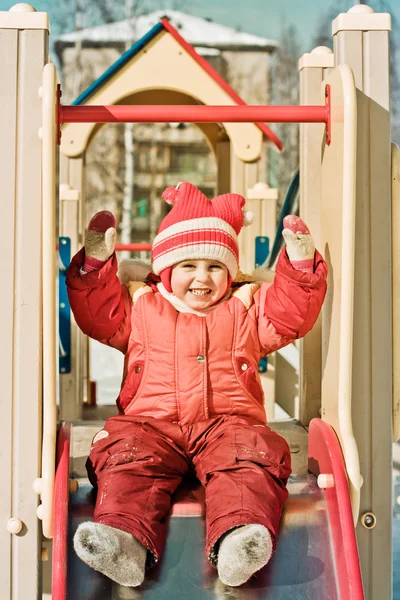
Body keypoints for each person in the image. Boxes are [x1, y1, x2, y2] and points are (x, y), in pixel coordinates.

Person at [66, 182, 327, 588]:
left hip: (227, 426)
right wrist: (96, 266)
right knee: (126, 462)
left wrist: (300, 267)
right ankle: (123, 542)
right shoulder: (140, 306)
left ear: (230, 272)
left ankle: (238, 539)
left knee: (247, 463)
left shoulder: (246, 307)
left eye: (215, 267)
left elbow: (289, 314)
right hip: (150, 426)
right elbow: (97, 313)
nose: (202, 278)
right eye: (188, 266)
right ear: (166, 271)